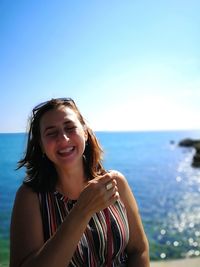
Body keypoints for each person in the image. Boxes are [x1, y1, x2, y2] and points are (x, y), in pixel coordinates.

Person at [10, 98, 150, 267]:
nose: (63, 138)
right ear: (41, 144)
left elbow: (139, 249)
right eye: (51, 132)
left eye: (70, 128)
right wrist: (81, 211)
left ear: (85, 132)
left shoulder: (116, 182)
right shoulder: (30, 197)